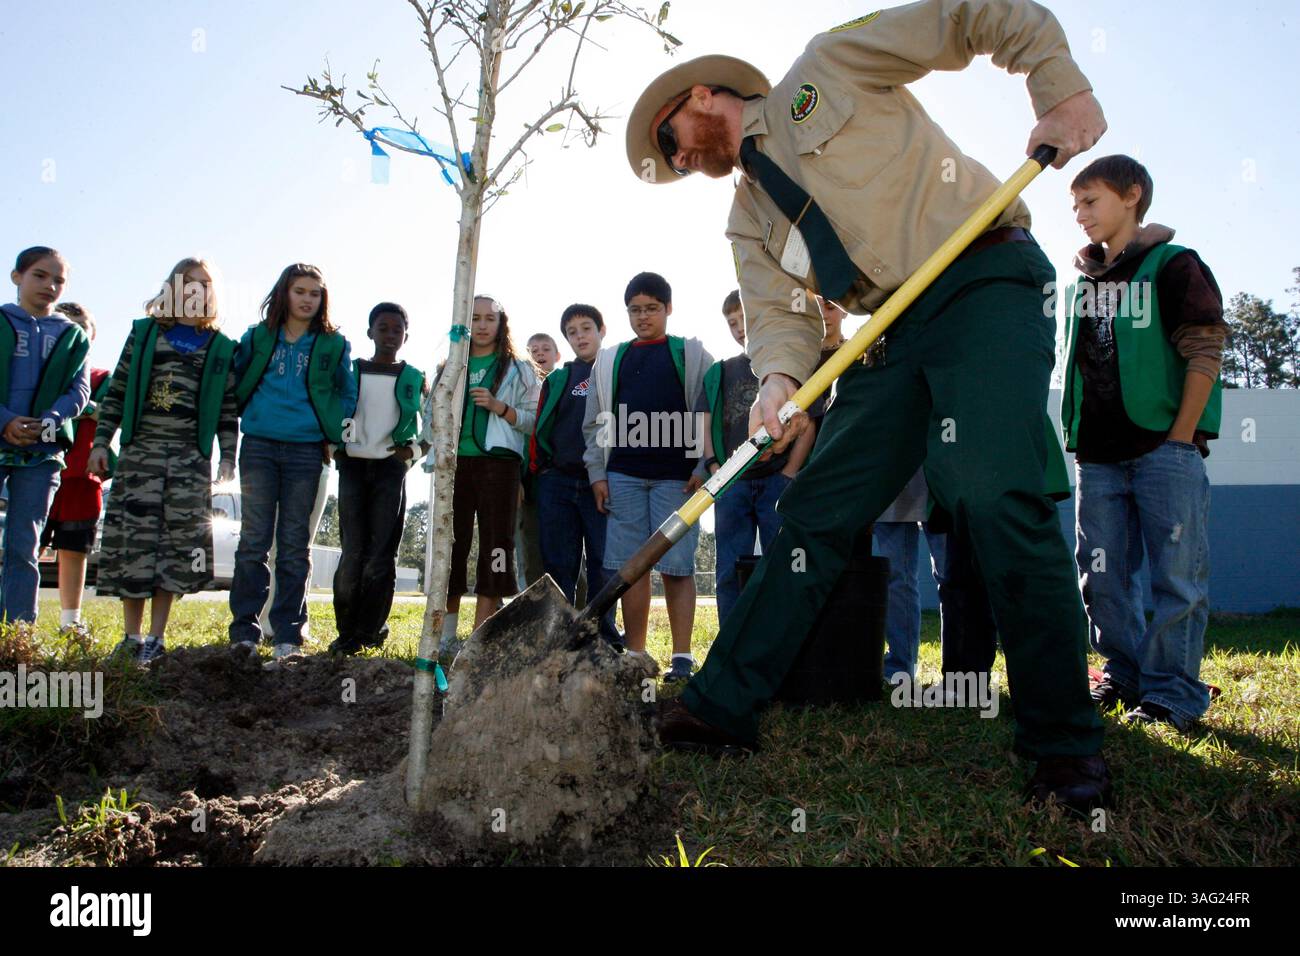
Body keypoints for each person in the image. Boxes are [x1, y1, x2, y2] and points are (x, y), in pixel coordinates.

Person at [626, 0, 1112, 811]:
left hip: (983, 280)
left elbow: (971, 13)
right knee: (812, 510)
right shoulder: (747, 217)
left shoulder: (829, 65)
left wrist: (1056, 87)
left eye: (669, 148)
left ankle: (1064, 746)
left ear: (699, 98)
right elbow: (778, 316)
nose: (678, 166)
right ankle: (721, 708)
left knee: (993, 490)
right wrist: (780, 383)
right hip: (890, 336)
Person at [1064, 154, 1226, 732]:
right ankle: (1124, 673)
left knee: (1176, 577)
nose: (1080, 215)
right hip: (1099, 458)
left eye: (1091, 201)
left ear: (1131, 195)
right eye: (1075, 205)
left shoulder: (1174, 264)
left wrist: (1180, 436)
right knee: (1102, 575)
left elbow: (1205, 348)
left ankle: (1173, 694)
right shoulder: (1081, 284)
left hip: (1165, 450)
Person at [91, 258, 238, 661]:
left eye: (204, 285)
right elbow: (116, 392)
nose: (196, 291)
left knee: (175, 547)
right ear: (173, 287)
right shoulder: (144, 334)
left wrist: (228, 457)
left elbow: (228, 408)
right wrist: (101, 443)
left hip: (190, 461)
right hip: (142, 454)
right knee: (135, 545)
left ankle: (156, 638)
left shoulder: (221, 346)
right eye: (188, 284)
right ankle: (131, 637)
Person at [583, 272, 714, 682]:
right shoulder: (610, 359)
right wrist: (598, 473)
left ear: (668, 309)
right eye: (635, 310)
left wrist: (700, 465)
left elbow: (706, 413)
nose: (643, 317)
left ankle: (681, 658)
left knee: (677, 566)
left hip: (678, 479)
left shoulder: (691, 354)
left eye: (652, 309)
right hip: (622, 475)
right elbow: (595, 422)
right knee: (629, 568)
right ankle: (635, 654)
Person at [229, 263, 356, 661]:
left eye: (314, 293)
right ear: (284, 293)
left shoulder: (333, 344)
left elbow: (346, 393)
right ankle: (244, 632)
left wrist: (334, 431)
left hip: (306, 449)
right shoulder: (257, 337)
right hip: (260, 445)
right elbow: (236, 379)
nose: (307, 299)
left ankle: (287, 633)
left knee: (294, 545)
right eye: (300, 291)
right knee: (253, 541)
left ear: (323, 300)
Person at [433, 295, 539, 653]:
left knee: (496, 545)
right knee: (452, 545)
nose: (481, 325)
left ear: (501, 323)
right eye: (474, 318)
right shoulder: (451, 366)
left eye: (488, 318)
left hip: (499, 465)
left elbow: (533, 420)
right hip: (455, 465)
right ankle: (446, 634)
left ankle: (480, 635)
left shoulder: (519, 368)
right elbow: (433, 413)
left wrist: (501, 407)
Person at [701, 289, 813, 625]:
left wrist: (789, 473)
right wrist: (714, 467)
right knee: (728, 567)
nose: (738, 328)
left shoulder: (787, 369)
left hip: (776, 480)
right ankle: (729, 645)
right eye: (731, 322)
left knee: (781, 564)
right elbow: (705, 424)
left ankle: (780, 641)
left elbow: (806, 423)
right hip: (733, 483)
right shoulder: (721, 372)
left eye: (744, 319)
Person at [329, 302, 427, 656]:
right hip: (353, 466)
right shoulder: (351, 372)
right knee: (353, 550)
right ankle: (347, 631)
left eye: (397, 329)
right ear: (370, 332)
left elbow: (433, 420)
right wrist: (336, 445)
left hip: (389, 468)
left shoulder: (414, 376)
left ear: (405, 335)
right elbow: (332, 406)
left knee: (382, 552)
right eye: (383, 328)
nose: (390, 335)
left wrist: (413, 453)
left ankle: (371, 629)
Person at [0, 247, 90, 625]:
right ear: (17, 277)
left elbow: (79, 391)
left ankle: (18, 631)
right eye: (40, 275)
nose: (50, 286)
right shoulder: (3, 320)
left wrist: (51, 419)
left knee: (24, 543)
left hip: (43, 453)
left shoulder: (72, 335)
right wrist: (5, 420)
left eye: (59, 280)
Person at [530, 304, 620, 645]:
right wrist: (538, 472)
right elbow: (541, 428)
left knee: (603, 562)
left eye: (586, 328)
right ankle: (558, 635)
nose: (580, 336)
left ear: (601, 330)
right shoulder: (558, 378)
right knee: (558, 563)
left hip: (602, 481)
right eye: (572, 332)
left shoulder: (617, 370)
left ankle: (603, 636)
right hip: (558, 480)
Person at [40, 303, 111, 634]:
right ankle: (17, 616)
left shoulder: (101, 378)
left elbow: (108, 411)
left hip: (83, 477)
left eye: (83, 326)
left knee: (74, 550)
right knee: (27, 546)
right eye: (68, 325)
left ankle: (71, 621)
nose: (76, 331)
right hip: (37, 469)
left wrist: (78, 405)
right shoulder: (40, 373)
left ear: (92, 335)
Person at [515, 333, 557, 590]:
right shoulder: (521, 390)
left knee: (563, 544)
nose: (539, 354)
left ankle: (578, 607)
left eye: (545, 349)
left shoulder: (565, 383)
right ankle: (531, 605)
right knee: (529, 545)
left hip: (558, 475)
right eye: (533, 351)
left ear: (557, 355)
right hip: (527, 478)